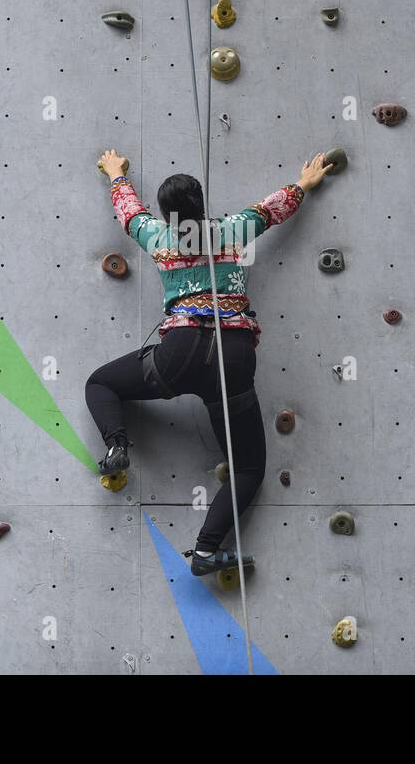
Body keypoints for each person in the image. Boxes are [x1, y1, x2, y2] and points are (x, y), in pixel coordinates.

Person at [85, 148, 331, 575]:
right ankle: (204, 551)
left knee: (100, 384)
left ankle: (117, 445)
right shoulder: (232, 229)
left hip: (179, 352)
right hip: (232, 359)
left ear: (168, 212)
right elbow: (274, 208)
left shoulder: (160, 238)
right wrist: (304, 184)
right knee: (248, 467)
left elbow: (131, 215)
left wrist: (115, 174)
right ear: (201, 203)